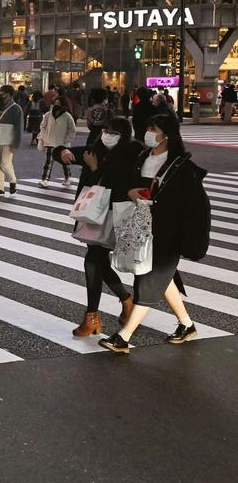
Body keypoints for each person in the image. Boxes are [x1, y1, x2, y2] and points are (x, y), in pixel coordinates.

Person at [98, 114, 210, 354]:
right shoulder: (143, 157)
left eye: (153, 128)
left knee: (147, 280)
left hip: (169, 232)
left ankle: (123, 337)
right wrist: (131, 192)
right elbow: (129, 184)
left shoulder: (179, 164)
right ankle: (187, 325)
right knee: (162, 278)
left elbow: (190, 205)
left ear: (166, 134)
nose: (148, 132)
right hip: (144, 228)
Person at [57, 117, 140, 337]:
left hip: (118, 213)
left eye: (112, 132)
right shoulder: (97, 147)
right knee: (97, 260)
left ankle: (93, 316)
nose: (107, 135)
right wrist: (62, 151)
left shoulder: (133, 151)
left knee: (94, 259)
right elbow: (67, 153)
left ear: (124, 135)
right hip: (96, 215)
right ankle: (123, 301)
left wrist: (96, 169)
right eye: (105, 130)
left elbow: (122, 183)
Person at [0, 84, 22, 197]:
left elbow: (18, 127)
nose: (2, 97)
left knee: (5, 163)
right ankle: (0, 188)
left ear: (11, 95)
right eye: (1, 94)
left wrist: (16, 144)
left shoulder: (16, 108)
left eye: (5, 95)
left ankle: (13, 180)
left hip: (8, 136)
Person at [38, 99, 76, 188]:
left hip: (63, 143)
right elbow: (42, 126)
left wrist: (67, 139)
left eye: (59, 103)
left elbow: (72, 130)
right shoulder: (48, 114)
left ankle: (67, 177)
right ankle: (45, 180)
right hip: (49, 141)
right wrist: (44, 136)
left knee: (65, 162)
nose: (56, 105)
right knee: (48, 162)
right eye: (55, 103)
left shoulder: (67, 116)